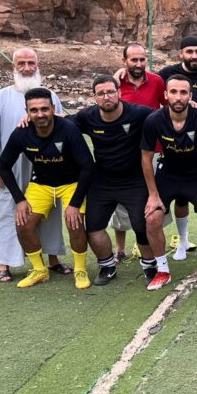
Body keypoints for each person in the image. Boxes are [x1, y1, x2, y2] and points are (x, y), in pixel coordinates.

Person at [0, 47, 70, 283]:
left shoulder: (50, 96)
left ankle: (53, 259)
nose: (27, 68)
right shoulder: (1, 97)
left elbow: (63, 126)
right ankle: (5, 263)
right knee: (10, 209)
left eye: (31, 63)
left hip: (47, 164)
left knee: (50, 209)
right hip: (12, 165)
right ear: (13, 67)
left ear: (38, 65)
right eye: (22, 64)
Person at [0, 88, 95, 289]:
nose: (40, 114)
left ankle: (80, 269)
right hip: (41, 184)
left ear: (52, 108)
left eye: (44, 109)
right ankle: (39, 270)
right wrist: (19, 200)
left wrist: (75, 203)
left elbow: (88, 166)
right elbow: (3, 166)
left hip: (71, 183)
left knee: (74, 222)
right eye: (34, 110)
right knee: (23, 223)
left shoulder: (68, 129)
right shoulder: (21, 133)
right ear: (27, 112)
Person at [71, 76, 157, 287]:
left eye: (110, 91)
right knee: (94, 227)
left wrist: (191, 106)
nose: (106, 97)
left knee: (141, 225)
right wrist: (30, 119)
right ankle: (107, 266)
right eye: (101, 93)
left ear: (119, 93)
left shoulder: (138, 113)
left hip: (134, 180)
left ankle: (150, 265)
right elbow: (60, 125)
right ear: (94, 97)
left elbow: (166, 117)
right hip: (102, 181)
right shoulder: (87, 116)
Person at [141, 74, 197, 291]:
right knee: (152, 218)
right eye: (173, 92)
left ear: (190, 96)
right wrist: (153, 195)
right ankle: (162, 271)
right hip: (168, 175)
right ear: (166, 95)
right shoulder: (154, 120)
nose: (178, 97)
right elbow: (146, 158)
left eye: (183, 92)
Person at [111, 43, 166, 261]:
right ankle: (120, 248)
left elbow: (168, 106)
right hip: (122, 151)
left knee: (152, 197)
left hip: (151, 150)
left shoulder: (156, 81)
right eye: (134, 60)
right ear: (124, 61)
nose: (139, 64)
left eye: (142, 59)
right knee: (119, 201)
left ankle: (151, 245)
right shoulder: (115, 83)